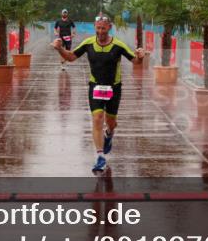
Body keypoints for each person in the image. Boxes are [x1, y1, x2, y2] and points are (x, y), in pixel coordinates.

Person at [53, 14, 145, 172]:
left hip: (113, 88)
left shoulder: (118, 45)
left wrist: (140, 57)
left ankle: (109, 134)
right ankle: (100, 157)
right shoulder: (88, 43)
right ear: (94, 28)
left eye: (103, 28)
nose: (100, 31)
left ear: (109, 28)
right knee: (97, 118)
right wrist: (60, 49)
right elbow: (71, 57)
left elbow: (134, 61)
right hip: (95, 86)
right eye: (98, 28)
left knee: (110, 122)